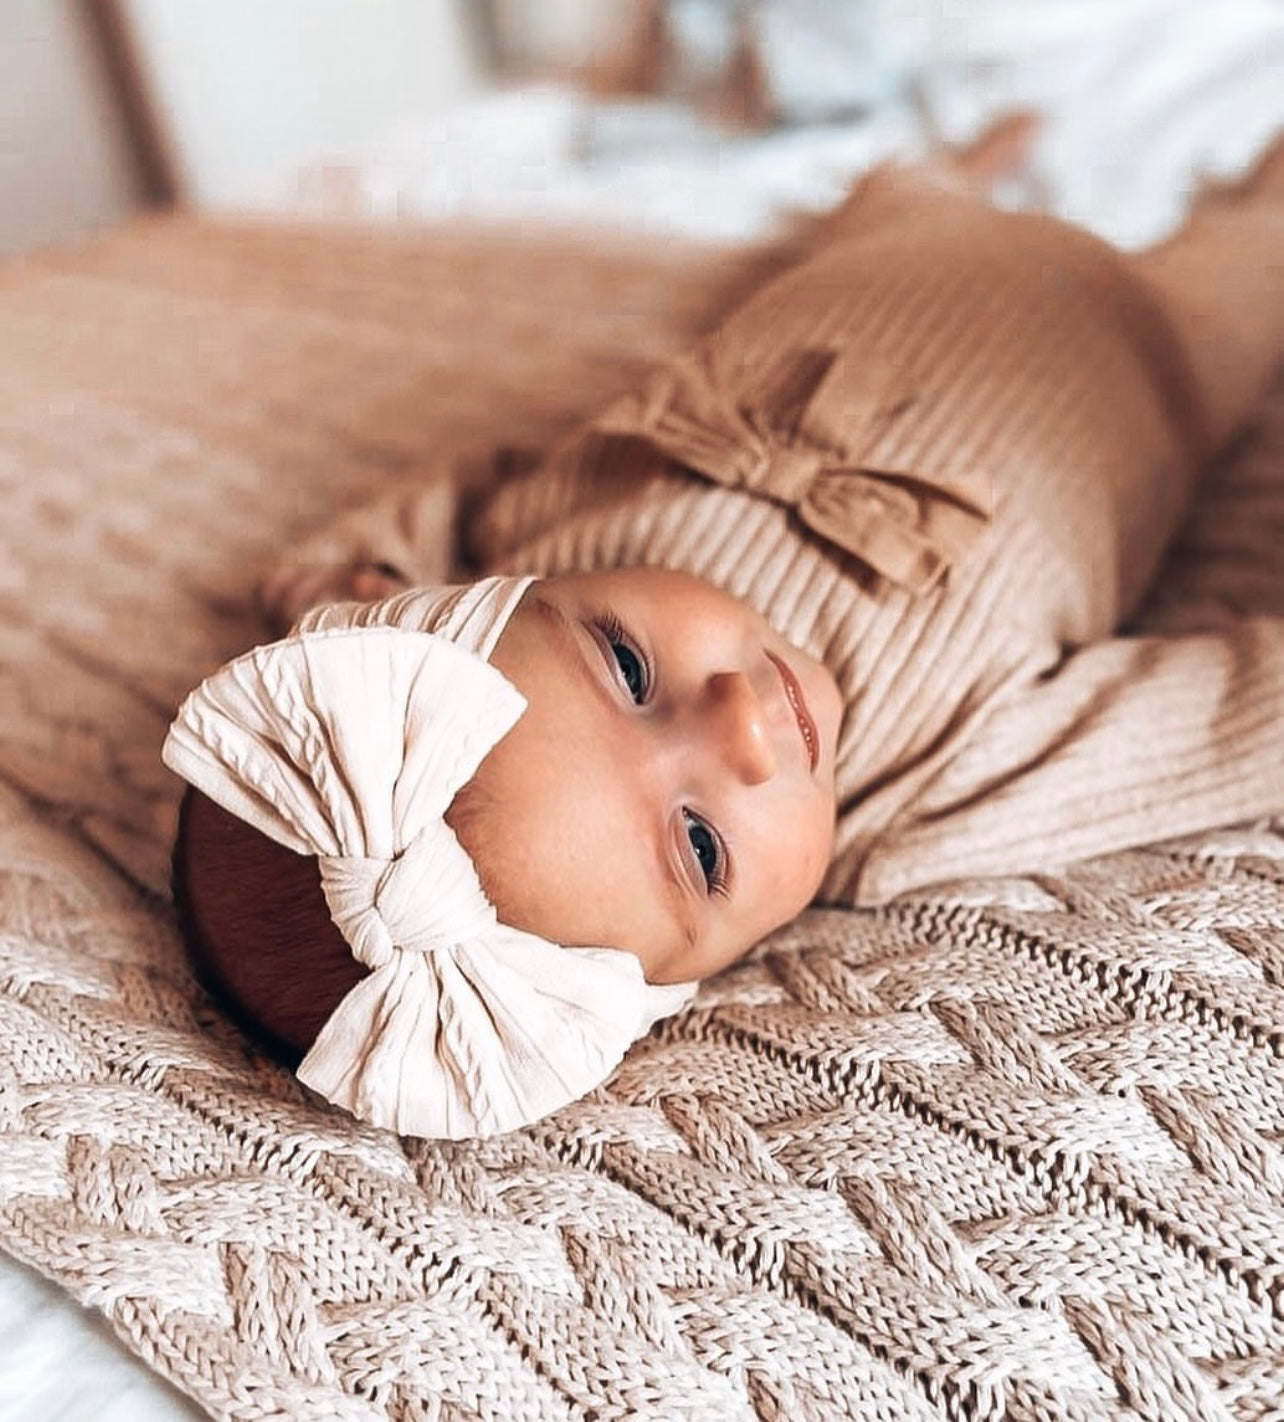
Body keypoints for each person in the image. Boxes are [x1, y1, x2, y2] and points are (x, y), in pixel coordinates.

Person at [170, 127, 1284, 1138]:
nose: (742, 721)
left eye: (625, 664)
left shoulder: (550, 534)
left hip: (882, 271)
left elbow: (467, 486)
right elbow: (1232, 716)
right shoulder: (924, 791)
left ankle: (961, 159)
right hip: (1155, 344)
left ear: (493, 595)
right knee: (1259, 250)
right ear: (674, 986)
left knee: (895, 191)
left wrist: (341, 578)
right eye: (702, 848)